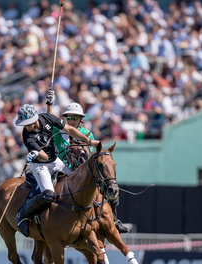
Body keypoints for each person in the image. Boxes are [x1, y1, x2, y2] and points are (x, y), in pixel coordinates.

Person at [14, 88, 99, 237]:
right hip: (41, 164)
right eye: (25, 124)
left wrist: (89, 141)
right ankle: (22, 214)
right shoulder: (28, 137)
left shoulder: (47, 118)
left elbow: (69, 129)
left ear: (36, 118)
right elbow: (44, 158)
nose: (27, 126)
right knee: (48, 195)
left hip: (56, 160)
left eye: (29, 123)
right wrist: (35, 154)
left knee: (77, 182)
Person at [53, 102, 130, 234]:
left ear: (80, 119)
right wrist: (50, 103)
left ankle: (114, 221)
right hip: (60, 168)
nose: (72, 121)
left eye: (75, 118)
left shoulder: (86, 133)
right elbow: (48, 118)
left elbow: (88, 155)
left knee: (109, 190)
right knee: (45, 188)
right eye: (69, 118)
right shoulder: (57, 131)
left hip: (79, 172)